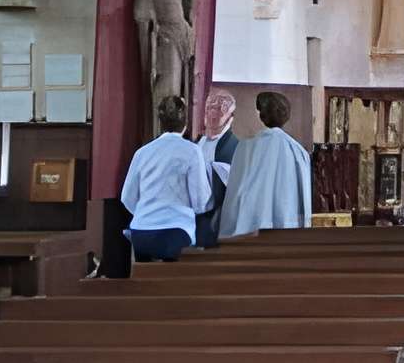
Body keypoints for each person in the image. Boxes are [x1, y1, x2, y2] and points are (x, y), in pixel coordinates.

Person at [116, 93, 218, 265]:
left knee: (144, 277)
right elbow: (201, 202)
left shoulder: (142, 152)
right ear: (186, 123)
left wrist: (148, 214)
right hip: (175, 233)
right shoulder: (192, 151)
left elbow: (127, 197)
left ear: (160, 123)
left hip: (141, 233)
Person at [219, 89, 314, 238]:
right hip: (288, 231)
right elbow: (304, 199)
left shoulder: (246, 148)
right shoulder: (299, 151)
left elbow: (235, 195)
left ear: (260, 114)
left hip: (250, 232)